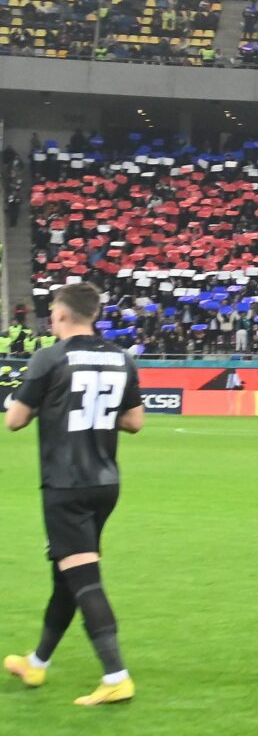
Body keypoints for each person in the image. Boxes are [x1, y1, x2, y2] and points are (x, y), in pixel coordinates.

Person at [2, 283, 143, 705]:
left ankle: (116, 675)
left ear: (60, 315)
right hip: (105, 482)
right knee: (66, 575)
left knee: (83, 580)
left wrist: (46, 405)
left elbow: (14, 420)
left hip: (67, 485)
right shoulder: (121, 358)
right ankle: (37, 664)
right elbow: (134, 422)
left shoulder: (50, 357)